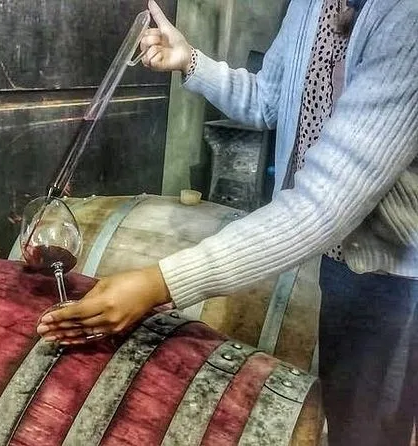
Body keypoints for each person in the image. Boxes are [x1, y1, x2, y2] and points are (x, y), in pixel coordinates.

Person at [37, 0, 418, 444]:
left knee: (371, 429)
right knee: (345, 412)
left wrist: (160, 283)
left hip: (400, 275)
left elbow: (324, 204)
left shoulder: (406, 16)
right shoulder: (310, 4)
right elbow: (268, 99)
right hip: (341, 260)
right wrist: (190, 61)